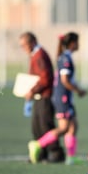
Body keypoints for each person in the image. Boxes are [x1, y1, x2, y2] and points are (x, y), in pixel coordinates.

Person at [28, 32, 87, 165]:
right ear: (72, 43)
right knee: (64, 127)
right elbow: (64, 80)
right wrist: (78, 90)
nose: (79, 44)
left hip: (65, 97)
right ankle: (37, 144)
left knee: (73, 126)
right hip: (63, 98)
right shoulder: (65, 58)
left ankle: (71, 157)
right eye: (77, 42)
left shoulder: (65, 57)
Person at [19, 32, 64, 163]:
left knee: (46, 125)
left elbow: (45, 79)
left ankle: (56, 153)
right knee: (37, 127)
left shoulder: (39, 56)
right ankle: (40, 153)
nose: (23, 48)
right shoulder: (35, 55)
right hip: (39, 96)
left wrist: (32, 91)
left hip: (45, 96)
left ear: (32, 43)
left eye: (24, 45)